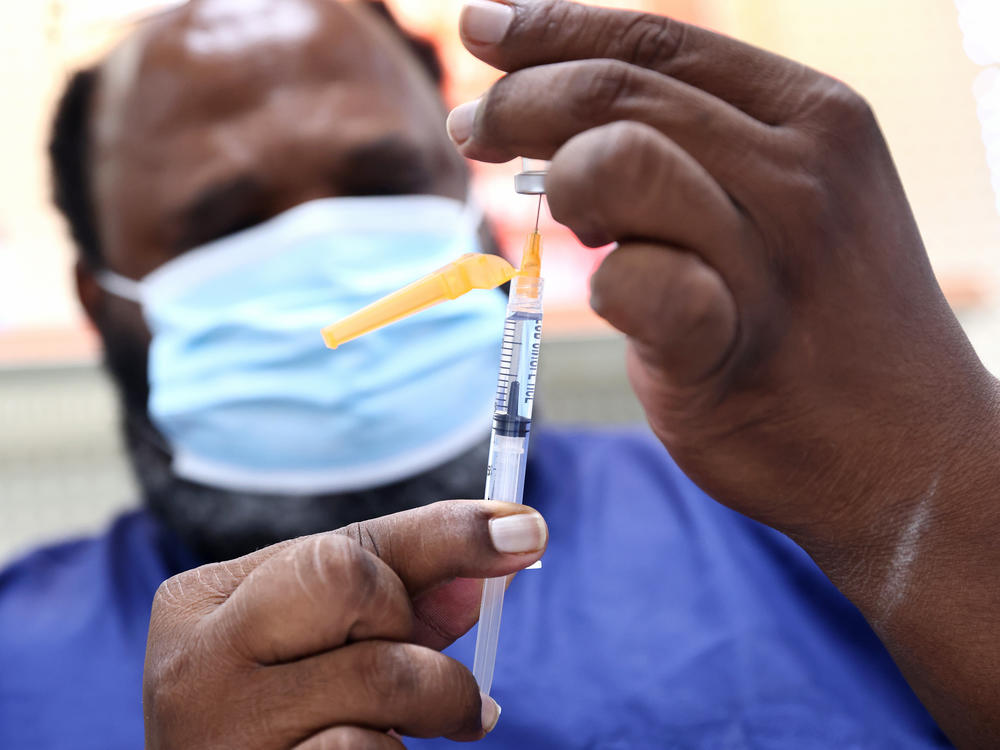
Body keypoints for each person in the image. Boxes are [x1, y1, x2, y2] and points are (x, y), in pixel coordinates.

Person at [1, 0, 996, 747]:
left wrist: (938, 480)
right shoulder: (16, 663)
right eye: (227, 223)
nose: (328, 263)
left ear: (470, 216)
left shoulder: (803, 521)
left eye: (383, 186)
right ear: (102, 302)